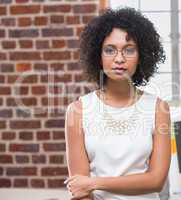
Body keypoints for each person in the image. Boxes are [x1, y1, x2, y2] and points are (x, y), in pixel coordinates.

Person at [64, 7, 171, 200]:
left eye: (129, 50)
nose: (119, 59)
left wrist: (95, 182)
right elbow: (81, 191)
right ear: (98, 55)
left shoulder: (158, 108)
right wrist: (87, 186)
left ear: (141, 57)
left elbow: (156, 180)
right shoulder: (78, 111)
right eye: (110, 50)